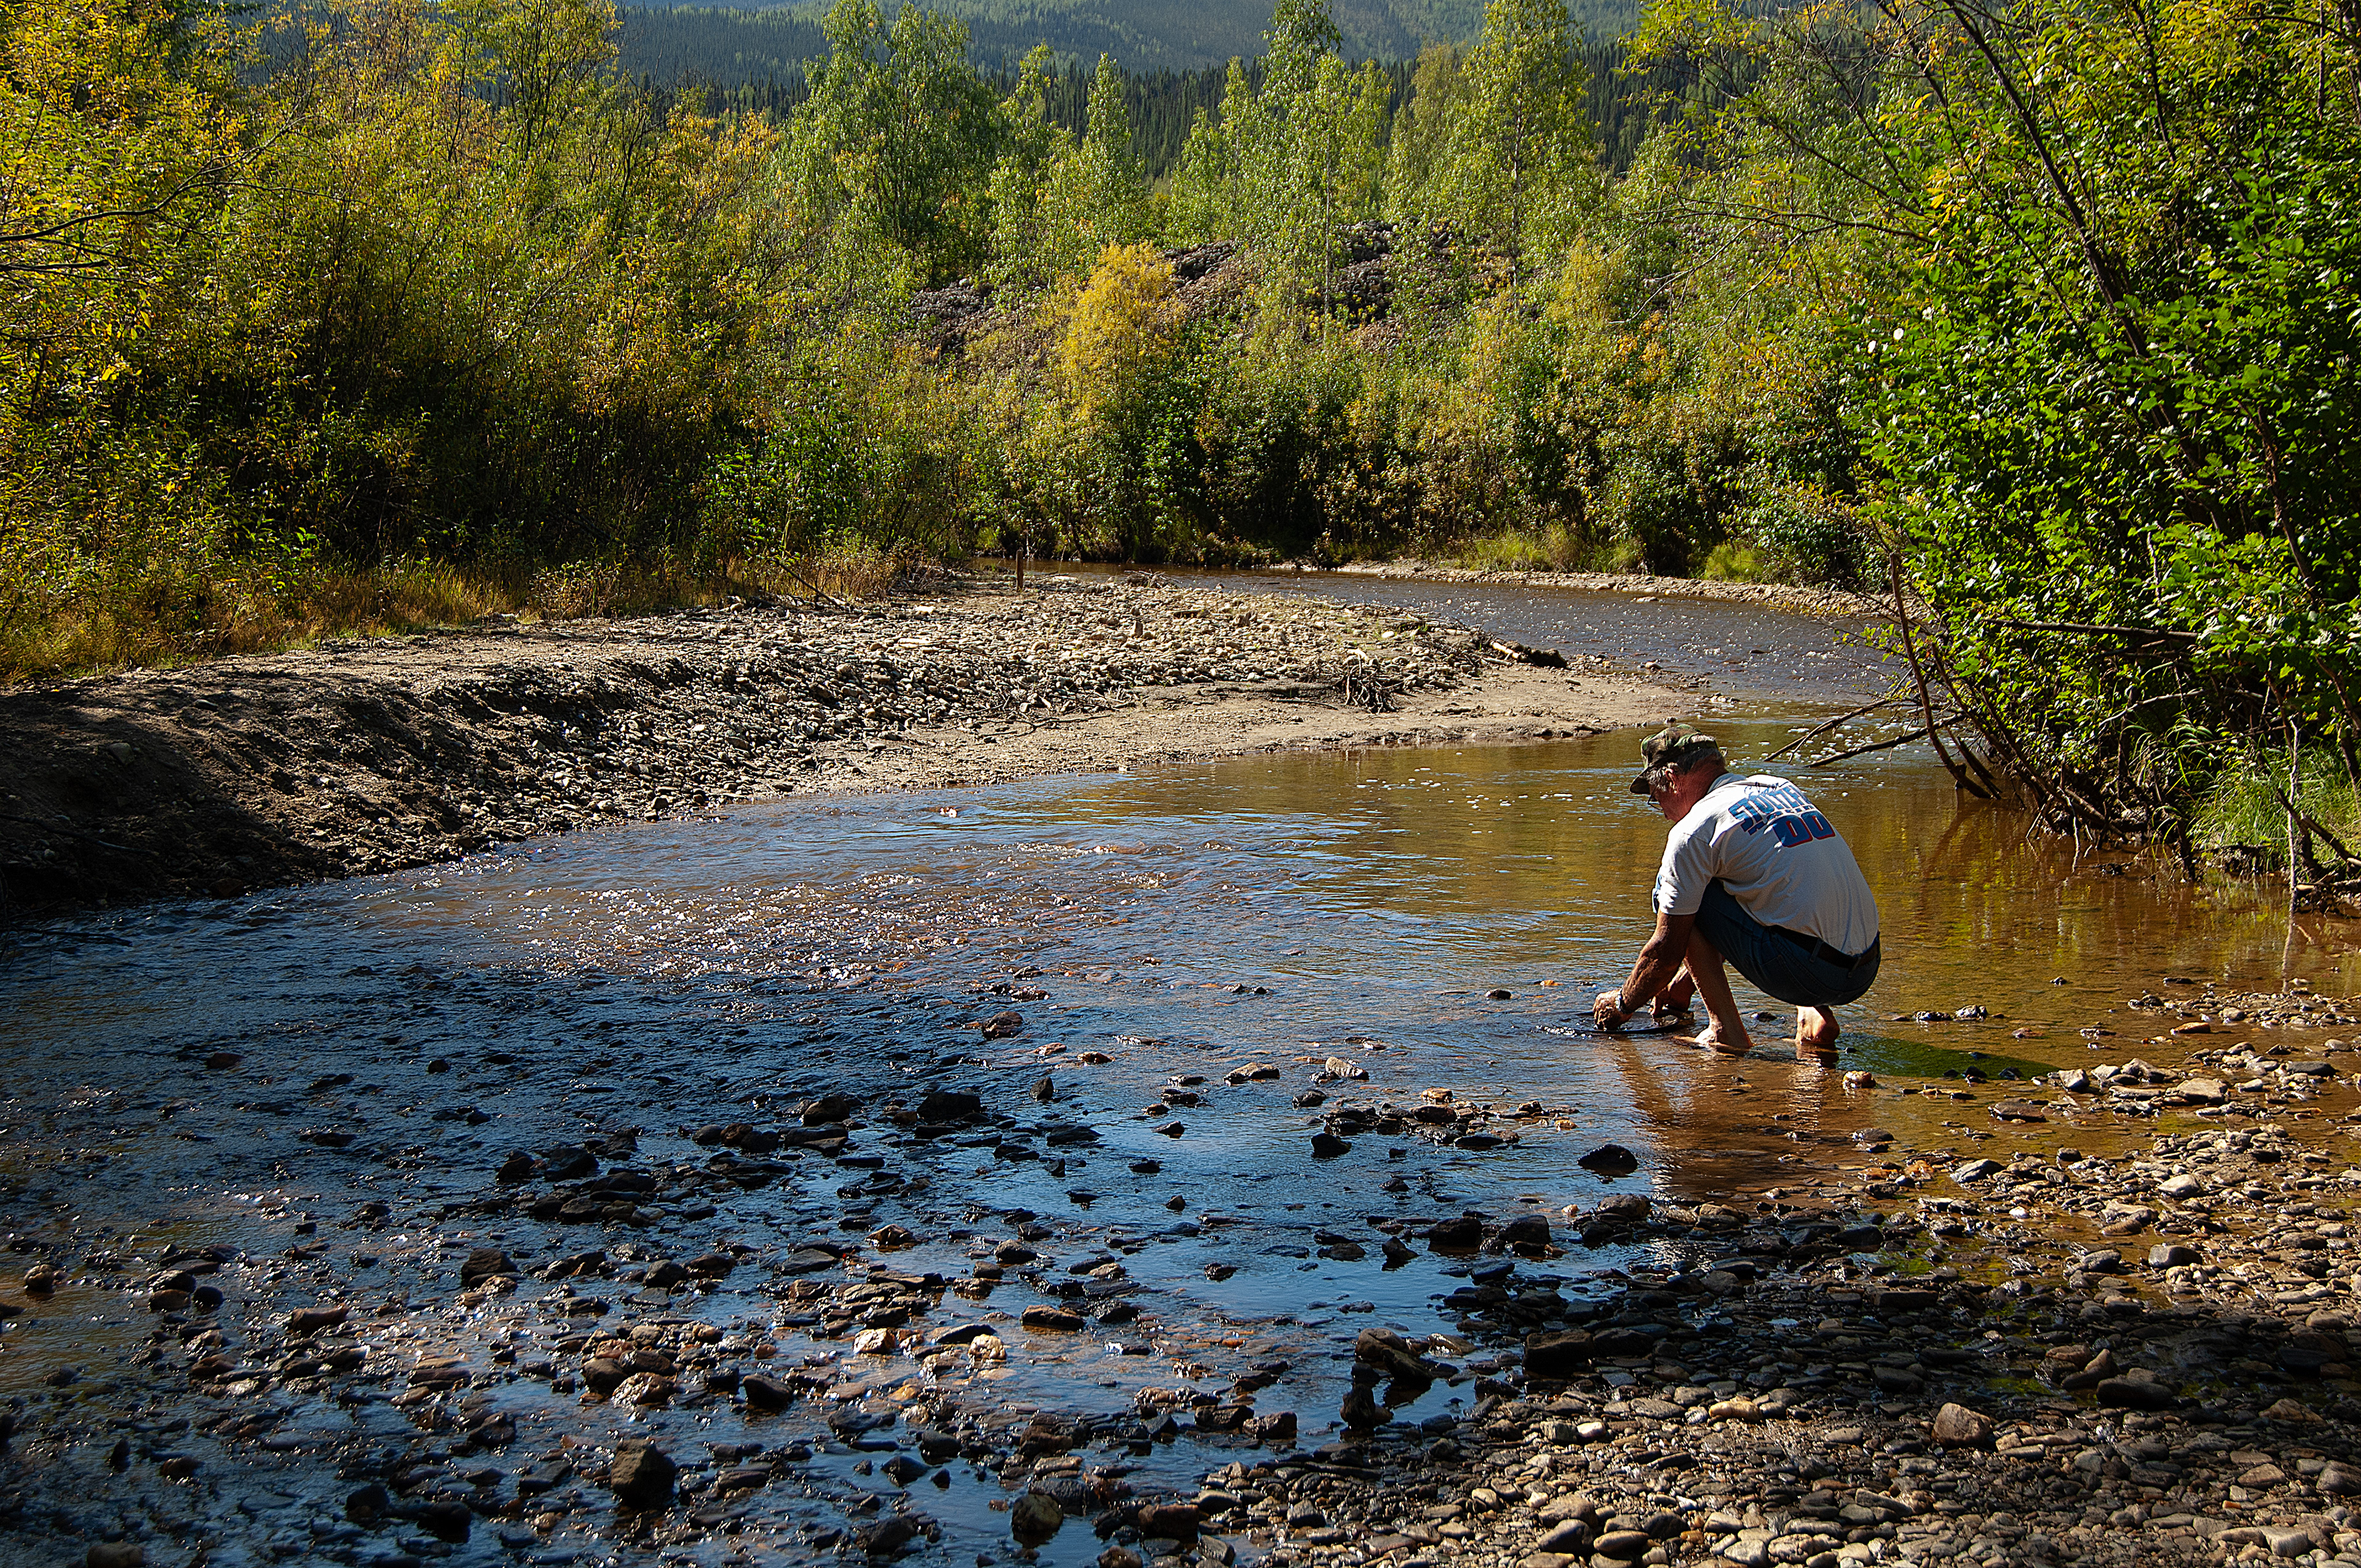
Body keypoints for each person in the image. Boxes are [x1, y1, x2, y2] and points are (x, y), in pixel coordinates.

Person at [1592, 722, 1880, 1059]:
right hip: (1865, 967)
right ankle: (1813, 1012)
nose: (1664, 813)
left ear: (1671, 780)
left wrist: (1623, 1004)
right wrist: (1685, 982)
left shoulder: (1694, 830)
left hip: (1812, 973)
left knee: (1673, 889)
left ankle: (1725, 1030)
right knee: (1750, 882)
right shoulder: (1777, 786)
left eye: (1657, 799)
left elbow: (1666, 951)